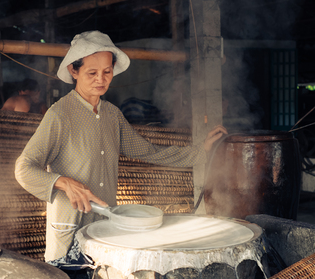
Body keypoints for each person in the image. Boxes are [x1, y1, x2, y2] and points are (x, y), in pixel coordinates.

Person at [15, 31, 227, 266]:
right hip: (69, 228)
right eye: (92, 73)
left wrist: (201, 151)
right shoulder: (59, 114)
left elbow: (148, 151)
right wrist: (63, 182)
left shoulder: (112, 115)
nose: (101, 79)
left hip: (104, 228)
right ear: (73, 71)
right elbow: (24, 168)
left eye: (107, 72)